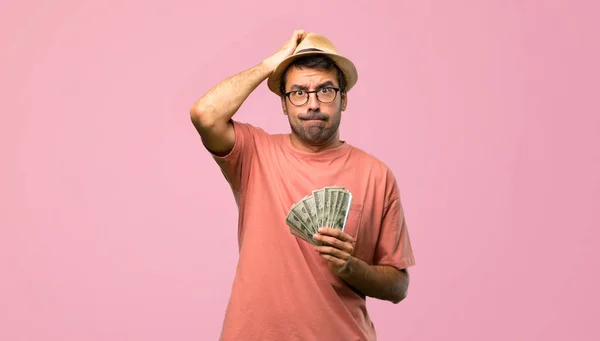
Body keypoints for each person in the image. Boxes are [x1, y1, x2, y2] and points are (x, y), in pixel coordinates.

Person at [190, 30, 416, 341]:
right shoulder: (254, 153)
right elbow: (205, 114)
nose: (312, 104)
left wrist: (351, 267)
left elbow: (398, 286)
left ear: (343, 98)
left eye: (325, 90)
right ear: (284, 103)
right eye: (298, 92)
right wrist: (271, 64)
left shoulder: (377, 175)